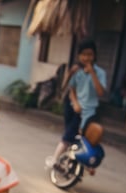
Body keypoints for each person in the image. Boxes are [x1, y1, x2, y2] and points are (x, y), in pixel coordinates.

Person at [46, 39, 107, 169]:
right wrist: (75, 103)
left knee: (84, 137)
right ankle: (58, 160)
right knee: (70, 134)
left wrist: (92, 73)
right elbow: (70, 89)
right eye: (83, 54)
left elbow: (100, 92)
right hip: (73, 107)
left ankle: (74, 162)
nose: (86, 57)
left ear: (94, 56)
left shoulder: (100, 72)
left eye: (90, 54)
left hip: (90, 110)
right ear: (79, 56)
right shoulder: (76, 70)